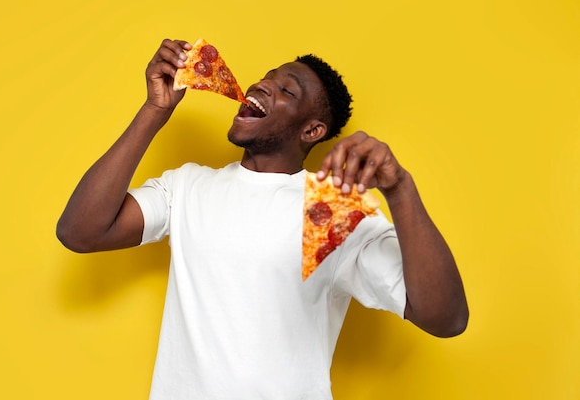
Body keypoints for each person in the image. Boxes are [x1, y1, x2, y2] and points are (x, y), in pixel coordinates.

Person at [57, 38, 468, 399]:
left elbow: (445, 318)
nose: (261, 85)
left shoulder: (333, 209)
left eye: (286, 88)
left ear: (311, 131)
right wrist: (154, 110)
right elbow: (80, 232)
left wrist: (400, 189)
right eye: (266, 77)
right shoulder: (187, 187)